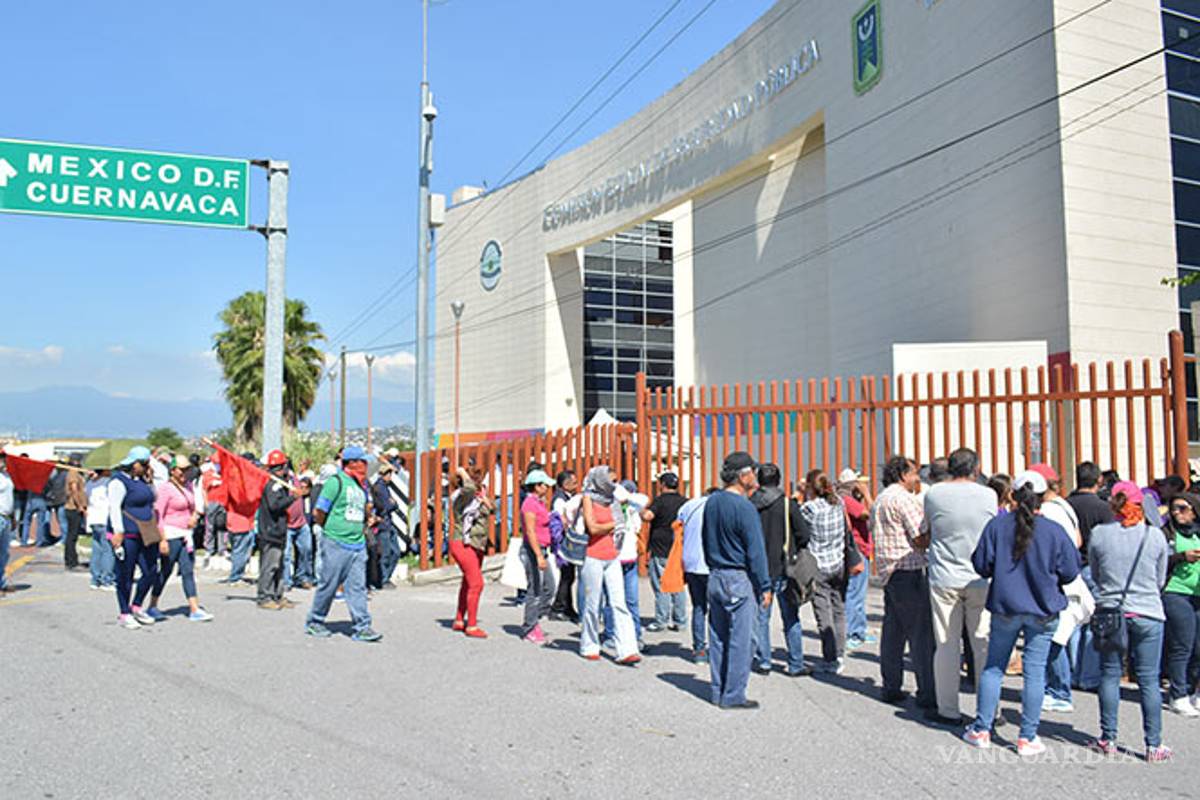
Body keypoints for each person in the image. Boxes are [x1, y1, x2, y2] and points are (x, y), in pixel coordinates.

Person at [962, 470, 1080, 757]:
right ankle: (1027, 736)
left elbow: (981, 564)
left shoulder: (997, 526)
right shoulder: (1054, 531)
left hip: (1005, 606)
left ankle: (981, 728)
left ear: (1012, 495)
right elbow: (1070, 571)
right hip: (1043, 607)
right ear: (1043, 497)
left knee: (993, 668)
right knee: (1035, 672)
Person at [1087, 480, 1172, 761]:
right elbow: (1160, 579)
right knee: (1148, 679)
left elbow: (1096, 574)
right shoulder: (1155, 535)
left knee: (1110, 674)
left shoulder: (1099, 534)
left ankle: (1108, 738)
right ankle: (1153, 744)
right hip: (1148, 611)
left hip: (1110, 611)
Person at [923, 448, 997, 725]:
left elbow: (928, 528)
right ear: (976, 468)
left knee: (946, 644)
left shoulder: (934, 494)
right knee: (982, 642)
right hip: (981, 576)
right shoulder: (988, 495)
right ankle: (990, 709)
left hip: (944, 575)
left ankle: (948, 709)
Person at [703, 452, 770, 708]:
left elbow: (705, 538)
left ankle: (718, 690)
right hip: (738, 576)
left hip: (715, 573)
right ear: (743, 476)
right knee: (743, 639)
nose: (755, 475)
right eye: (752, 470)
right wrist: (764, 585)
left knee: (718, 636)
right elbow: (756, 551)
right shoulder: (745, 507)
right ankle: (733, 695)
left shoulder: (712, 502)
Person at [870, 455, 936, 708]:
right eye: (913, 473)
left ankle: (891, 685)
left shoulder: (880, 499)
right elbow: (919, 537)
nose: (916, 478)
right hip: (909, 569)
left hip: (889, 571)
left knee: (893, 632)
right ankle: (927, 692)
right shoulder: (904, 499)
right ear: (902, 475)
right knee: (921, 635)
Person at [304, 446, 381, 642]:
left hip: (357, 544)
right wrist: (330, 530)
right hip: (335, 542)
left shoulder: (361, 485)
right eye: (362, 462)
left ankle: (362, 626)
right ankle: (315, 621)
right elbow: (319, 512)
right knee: (328, 585)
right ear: (352, 463)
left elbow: (361, 510)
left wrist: (367, 518)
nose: (365, 465)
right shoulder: (335, 482)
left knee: (357, 588)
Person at [751, 463, 810, 676]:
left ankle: (764, 661)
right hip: (784, 567)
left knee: (761, 618)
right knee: (791, 617)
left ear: (759, 480)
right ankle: (795, 663)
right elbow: (804, 535)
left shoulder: (751, 504)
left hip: (759, 568)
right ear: (778, 480)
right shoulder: (787, 504)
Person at [578, 465, 641, 665]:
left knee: (619, 603)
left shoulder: (612, 499)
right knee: (592, 603)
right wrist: (613, 525)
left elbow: (624, 520)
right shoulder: (588, 498)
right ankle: (589, 645)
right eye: (611, 481)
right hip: (592, 555)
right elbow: (592, 528)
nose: (614, 485)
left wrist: (611, 526)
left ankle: (627, 649)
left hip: (613, 555)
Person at [1063, 460, 1113, 693]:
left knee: (1072, 620)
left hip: (1070, 566)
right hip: (1093, 567)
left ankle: (1072, 671)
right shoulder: (1103, 508)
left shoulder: (1066, 504)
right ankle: (1089, 675)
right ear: (1099, 480)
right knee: (1093, 622)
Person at [146, 455, 212, 622]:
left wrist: (194, 516)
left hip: (186, 534)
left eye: (187, 469)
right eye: (181, 470)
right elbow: (158, 515)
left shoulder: (188, 486)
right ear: (173, 470)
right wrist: (162, 539)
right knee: (166, 571)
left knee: (188, 571)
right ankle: (152, 605)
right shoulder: (165, 489)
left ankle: (194, 608)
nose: (185, 473)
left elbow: (194, 506)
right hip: (171, 534)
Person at [802, 470, 850, 674]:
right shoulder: (838, 502)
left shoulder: (809, 508)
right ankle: (839, 653)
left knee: (824, 613)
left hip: (819, 564)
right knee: (839, 609)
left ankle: (830, 658)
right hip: (838, 561)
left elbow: (801, 531)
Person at [108, 446, 161, 629]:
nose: (146, 467)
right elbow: (114, 507)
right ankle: (124, 612)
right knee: (125, 574)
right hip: (128, 534)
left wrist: (150, 481)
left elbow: (154, 498)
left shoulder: (143, 481)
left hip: (146, 532)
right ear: (133, 463)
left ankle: (137, 605)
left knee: (151, 570)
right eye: (143, 464)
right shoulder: (118, 482)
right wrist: (118, 531)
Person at [1162, 492, 1200, 717]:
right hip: (1176, 592)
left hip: (1198, 593)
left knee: (1199, 646)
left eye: (1182, 508)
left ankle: (1195, 690)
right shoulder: (1167, 533)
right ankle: (1178, 694)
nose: (1177, 513)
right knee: (1182, 644)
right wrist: (1182, 557)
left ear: (1194, 510)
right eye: (1174, 508)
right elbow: (1159, 562)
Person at [448, 464, 493, 638]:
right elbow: (469, 488)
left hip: (477, 544)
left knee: (468, 583)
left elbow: (492, 509)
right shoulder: (461, 496)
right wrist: (461, 472)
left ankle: (459, 619)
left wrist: (485, 499)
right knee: (476, 583)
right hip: (463, 543)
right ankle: (472, 626)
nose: (478, 481)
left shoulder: (477, 496)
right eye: (475, 477)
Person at [642, 472, 688, 633]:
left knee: (662, 586)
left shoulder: (660, 501)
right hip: (679, 548)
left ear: (662, 485)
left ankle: (661, 620)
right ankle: (680, 621)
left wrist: (639, 509)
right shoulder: (685, 502)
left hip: (660, 548)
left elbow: (648, 516)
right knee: (678, 585)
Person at [519, 469, 558, 644]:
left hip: (542, 550)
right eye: (544, 485)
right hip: (533, 550)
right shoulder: (529, 504)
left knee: (549, 587)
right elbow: (530, 531)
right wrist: (538, 556)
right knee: (534, 590)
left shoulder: (538, 503)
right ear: (536, 486)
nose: (547, 488)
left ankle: (535, 621)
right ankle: (530, 628)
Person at [838, 468, 874, 649]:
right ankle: (854, 632)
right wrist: (867, 495)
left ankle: (859, 629)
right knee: (855, 593)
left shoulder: (844, 498)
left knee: (857, 592)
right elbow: (870, 513)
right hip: (858, 550)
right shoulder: (848, 500)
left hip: (857, 549)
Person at [258, 450, 299, 611]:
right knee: (270, 566)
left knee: (279, 566)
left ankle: (277, 595)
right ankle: (265, 597)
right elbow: (275, 505)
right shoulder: (273, 485)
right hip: (270, 531)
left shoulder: (280, 483)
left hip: (279, 530)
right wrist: (292, 498)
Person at [680, 488, 716, 664]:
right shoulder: (718, 506)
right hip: (711, 564)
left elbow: (678, 526)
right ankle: (717, 648)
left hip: (691, 562)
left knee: (699, 606)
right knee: (717, 609)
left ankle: (699, 650)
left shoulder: (689, 505)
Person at [221, 452, 258, 585]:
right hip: (239, 520)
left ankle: (238, 574)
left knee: (243, 550)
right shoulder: (237, 480)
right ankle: (235, 577)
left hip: (245, 520)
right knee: (240, 551)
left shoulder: (237, 478)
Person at [549, 469, 580, 622]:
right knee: (567, 575)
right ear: (565, 484)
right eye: (574, 482)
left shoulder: (568, 497)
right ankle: (558, 607)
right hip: (563, 541)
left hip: (567, 540)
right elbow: (561, 519)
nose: (576, 485)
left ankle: (568, 607)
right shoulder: (560, 500)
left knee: (569, 575)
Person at [85, 468, 115, 591]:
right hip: (104, 519)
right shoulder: (108, 483)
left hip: (93, 519)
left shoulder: (90, 483)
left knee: (96, 549)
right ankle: (107, 579)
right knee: (108, 550)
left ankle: (95, 578)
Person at [284, 475, 315, 590]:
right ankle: (286, 581)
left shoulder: (296, 480)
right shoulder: (281, 484)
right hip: (287, 524)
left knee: (306, 550)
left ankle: (303, 578)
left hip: (301, 523)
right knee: (286, 554)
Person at [63, 458, 87, 571]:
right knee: (72, 536)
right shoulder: (73, 474)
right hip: (73, 508)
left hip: (73, 507)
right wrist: (80, 505)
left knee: (73, 535)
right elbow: (74, 490)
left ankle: (72, 559)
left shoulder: (75, 473)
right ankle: (71, 561)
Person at [0, 453, 13, 595]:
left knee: (4, 553)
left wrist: (13, 517)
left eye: (3, 458)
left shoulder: (6, 476)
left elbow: (10, 497)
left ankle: (1, 583)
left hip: (6, 516)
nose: (2, 461)